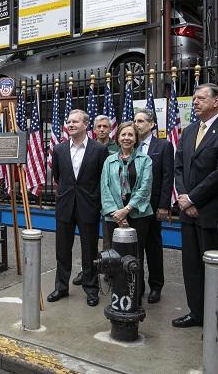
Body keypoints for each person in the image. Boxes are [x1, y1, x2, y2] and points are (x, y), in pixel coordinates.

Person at [173, 83, 218, 328]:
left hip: (209, 212)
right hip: (187, 211)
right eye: (194, 99)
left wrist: (193, 199)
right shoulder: (189, 130)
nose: (195, 102)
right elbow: (178, 166)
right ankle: (196, 312)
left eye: (201, 98)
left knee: (211, 268)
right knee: (190, 267)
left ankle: (214, 317)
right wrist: (183, 197)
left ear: (217, 102)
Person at [47, 109, 108, 307]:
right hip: (65, 205)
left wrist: (95, 200)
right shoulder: (59, 150)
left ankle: (91, 289)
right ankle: (61, 287)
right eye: (69, 121)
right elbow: (58, 177)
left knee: (89, 250)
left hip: (88, 206)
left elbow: (102, 178)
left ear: (85, 125)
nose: (71, 124)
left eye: (75, 122)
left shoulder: (98, 150)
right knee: (62, 250)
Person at [101, 121, 153, 303]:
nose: (126, 138)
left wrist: (127, 210)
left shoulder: (145, 160)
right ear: (118, 137)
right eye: (123, 135)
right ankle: (119, 295)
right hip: (114, 216)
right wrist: (117, 213)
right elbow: (105, 188)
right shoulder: (109, 161)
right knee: (116, 257)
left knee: (135, 256)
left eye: (131, 135)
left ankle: (135, 294)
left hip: (138, 215)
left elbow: (145, 188)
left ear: (136, 139)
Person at [72, 114, 118, 286]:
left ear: (110, 128)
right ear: (93, 129)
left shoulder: (118, 146)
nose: (101, 129)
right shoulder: (85, 146)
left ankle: (108, 269)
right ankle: (87, 271)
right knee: (87, 240)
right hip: (88, 199)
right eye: (98, 126)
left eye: (105, 126)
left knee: (109, 238)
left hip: (109, 199)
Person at [133, 109, 174, 304]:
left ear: (151, 124)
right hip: (133, 207)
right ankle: (137, 285)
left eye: (141, 121)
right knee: (135, 248)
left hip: (153, 205)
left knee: (153, 247)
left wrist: (164, 206)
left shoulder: (163, 146)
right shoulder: (131, 145)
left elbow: (167, 177)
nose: (137, 124)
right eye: (135, 121)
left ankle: (156, 286)